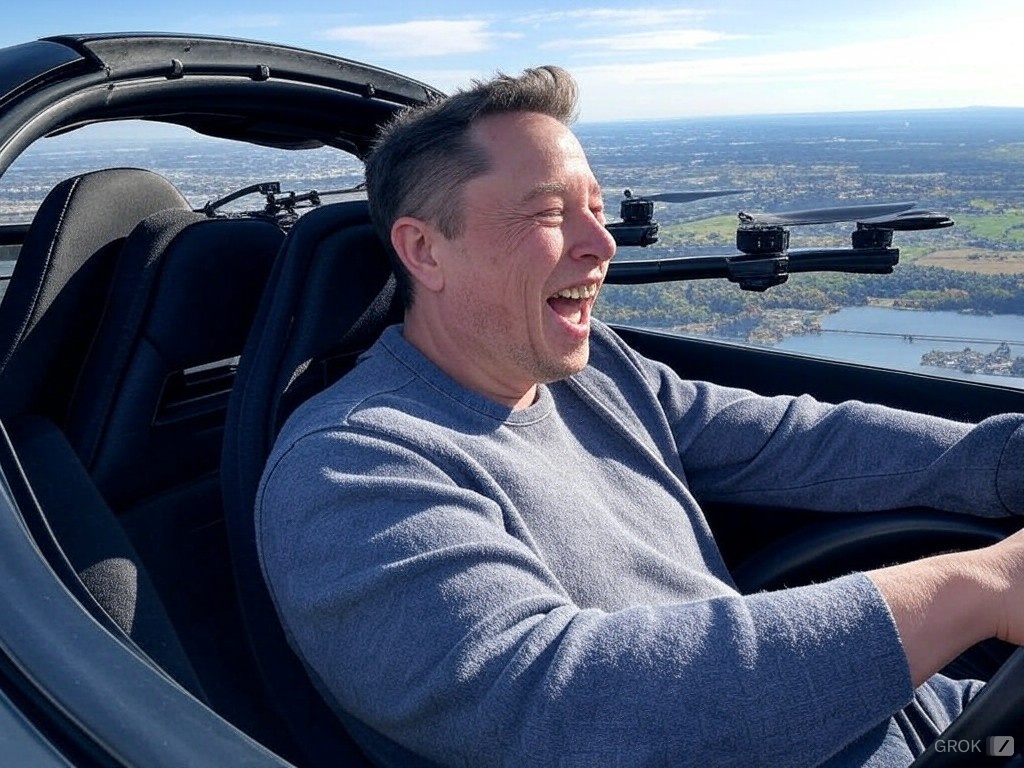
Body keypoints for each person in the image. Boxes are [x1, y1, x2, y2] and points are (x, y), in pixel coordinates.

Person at [256, 65, 1024, 766]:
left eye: (596, 210)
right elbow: (572, 704)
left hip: (926, 723)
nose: (602, 244)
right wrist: (975, 588)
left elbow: (798, 439)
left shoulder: (590, 375)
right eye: (549, 213)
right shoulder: (353, 467)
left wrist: (1008, 460)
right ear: (424, 251)